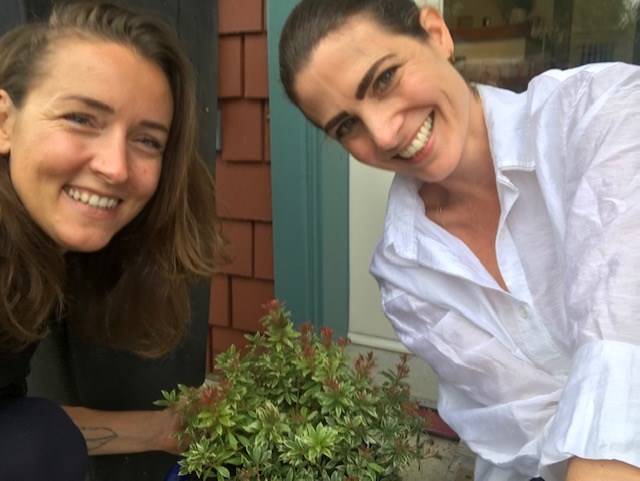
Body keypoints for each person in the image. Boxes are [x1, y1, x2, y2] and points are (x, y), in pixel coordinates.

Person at [279, 1, 640, 480]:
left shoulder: (599, 114)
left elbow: (622, 340)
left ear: (435, 34)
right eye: (347, 126)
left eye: (384, 79)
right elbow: (520, 427)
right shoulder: (403, 271)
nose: (385, 133)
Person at [0, 2, 225, 480]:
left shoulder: (35, 252)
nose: (116, 168)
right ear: (4, 121)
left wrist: (167, 428)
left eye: (147, 140)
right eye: (82, 118)